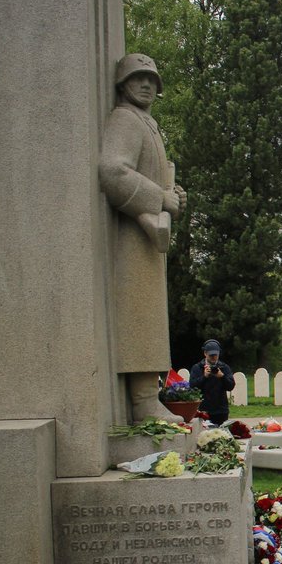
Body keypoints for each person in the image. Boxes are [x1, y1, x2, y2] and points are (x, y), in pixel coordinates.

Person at [99, 53, 187, 422]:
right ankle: (143, 401)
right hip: (134, 236)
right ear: (123, 84)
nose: (147, 85)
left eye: (152, 79)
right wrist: (160, 198)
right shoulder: (126, 119)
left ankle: (147, 398)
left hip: (148, 235)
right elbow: (113, 171)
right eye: (139, 78)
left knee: (148, 313)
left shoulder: (146, 122)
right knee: (141, 313)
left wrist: (173, 195)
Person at [188, 339, 234, 426]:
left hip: (221, 410)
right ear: (205, 353)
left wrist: (222, 377)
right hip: (203, 409)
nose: (213, 357)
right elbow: (192, 387)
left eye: (215, 355)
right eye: (211, 355)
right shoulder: (197, 368)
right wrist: (204, 377)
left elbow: (231, 386)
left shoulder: (224, 367)